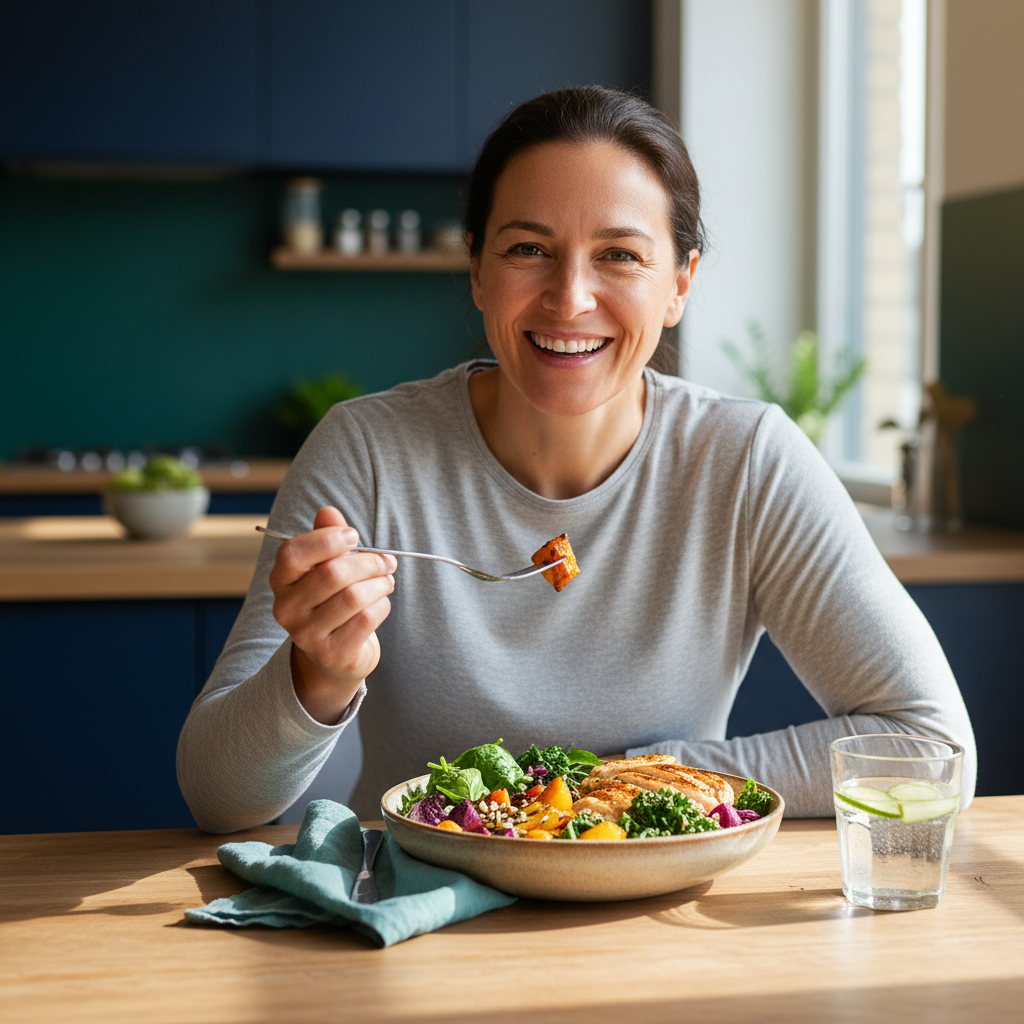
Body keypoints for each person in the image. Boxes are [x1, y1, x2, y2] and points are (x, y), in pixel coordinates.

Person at [177, 87, 975, 832]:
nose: (569, 299)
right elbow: (218, 796)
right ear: (478, 270)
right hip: (411, 909)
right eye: (529, 248)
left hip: (654, 916)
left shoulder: (746, 461)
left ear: (680, 284)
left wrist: (641, 781)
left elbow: (934, 750)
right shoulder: (369, 452)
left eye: (619, 255)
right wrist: (318, 675)